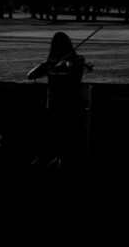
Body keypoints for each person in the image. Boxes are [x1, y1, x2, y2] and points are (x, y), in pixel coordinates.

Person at [26, 31, 90, 167]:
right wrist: (46, 64)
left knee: (63, 143)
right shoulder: (53, 63)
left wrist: (68, 66)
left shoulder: (75, 61)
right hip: (57, 107)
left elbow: (74, 76)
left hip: (69, 106)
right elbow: (30, 75)